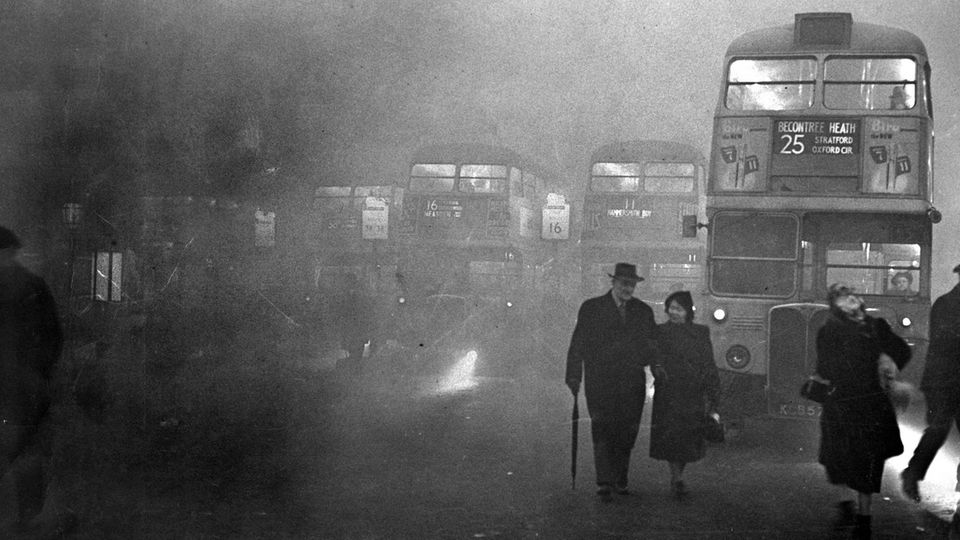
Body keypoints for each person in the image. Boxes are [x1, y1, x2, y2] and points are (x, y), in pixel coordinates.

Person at [816, 283, 911, 538]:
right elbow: (902, 351)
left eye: (852, 296)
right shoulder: (863, 328)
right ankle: (857, 514)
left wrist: (888, 362)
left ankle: (859, 515)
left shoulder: (839, 330)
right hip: (861, 405)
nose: (850, 300)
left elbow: (901, 350)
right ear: (836, 304)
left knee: (852, 459)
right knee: (854, 460)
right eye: (844, 297)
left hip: (850, 404)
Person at [566, 263, 659, 502]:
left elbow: (652, 345)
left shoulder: (643, 312)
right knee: (602, 428)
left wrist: (656, 366)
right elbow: (579, 344)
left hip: (631, 381)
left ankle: (620, 477)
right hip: (601, 381)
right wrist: (574, 375)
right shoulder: (591, 308)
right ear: (613, 282)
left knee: (627, 431)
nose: (628, 288)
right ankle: (605, 481)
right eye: (623, 283)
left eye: (631, 284)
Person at [0, 226, 64, 532]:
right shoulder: (33, 286)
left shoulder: (30, 286)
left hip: (20, 383)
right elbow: (53, 335)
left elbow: (51, 336)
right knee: (26, 449)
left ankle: (23, 515)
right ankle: (25, 514)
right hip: (24, 383)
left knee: (22, 448)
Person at [649, 291, 720, 500]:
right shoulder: (660, 331)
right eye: (671, 308)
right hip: (669, 391)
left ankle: (678, 475)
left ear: (688, 311)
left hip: (692, 392)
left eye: (678, 308)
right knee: (673, 437)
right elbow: (654, 356)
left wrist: (713, 392)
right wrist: (657, 368)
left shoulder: (700, 332)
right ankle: (677, 478)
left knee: (688, 437)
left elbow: (708, 362)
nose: (673, 312)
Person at [901, 264, 960, 510]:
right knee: (939, 428)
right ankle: (913, 473)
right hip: (945, 380)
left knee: (938, 429)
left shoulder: (944, 302)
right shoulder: (947, 304)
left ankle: (914, 473)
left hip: (942, 379)